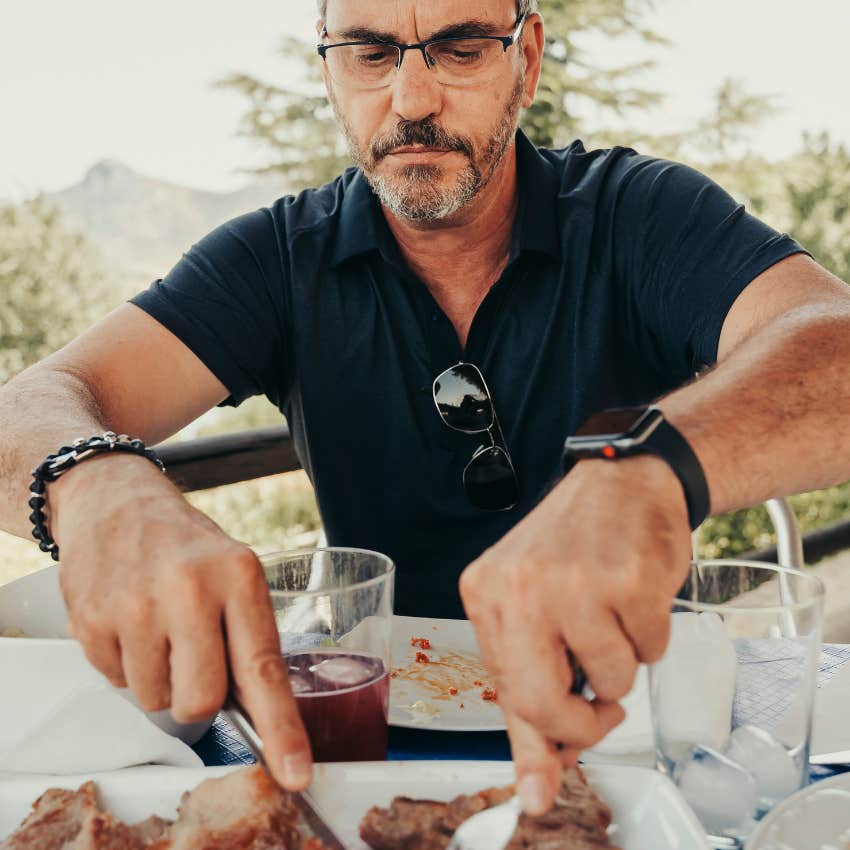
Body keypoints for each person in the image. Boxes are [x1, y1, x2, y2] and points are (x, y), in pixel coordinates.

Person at [2, 0, 849, 815]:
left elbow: (833, 339)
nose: (410, 101)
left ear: (527, 56)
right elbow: (33, 403)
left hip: (628, 734)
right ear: (328, 69)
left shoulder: (638, 214)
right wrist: (99, 487)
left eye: (462, 46)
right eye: (369, 53)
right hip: (350, 745)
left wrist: (651, 472)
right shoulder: (273, 260)